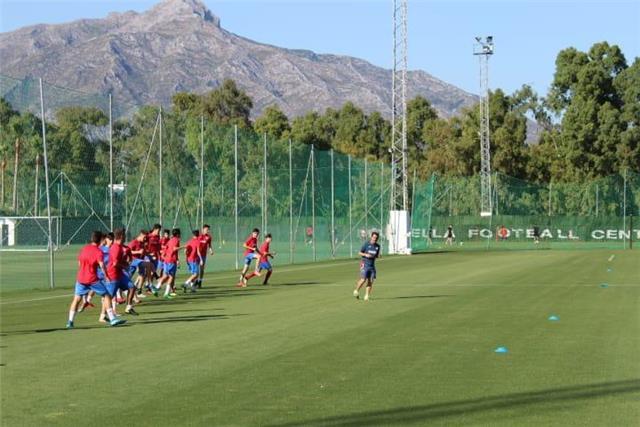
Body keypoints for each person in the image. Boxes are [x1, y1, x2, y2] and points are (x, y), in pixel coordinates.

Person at [66, 231, 125, 328]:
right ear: (101, 239)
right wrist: (106, 276)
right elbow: (102, 265)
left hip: (81, 278)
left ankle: (70, 322)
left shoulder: (84, 248)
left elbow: (79, 263)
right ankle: (112, 319)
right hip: (92, 279)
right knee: (106, 295)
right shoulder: (98, 251)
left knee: (76, 299)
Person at [104, 228, 138, 319]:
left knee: (132, 287)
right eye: (125, 235)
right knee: (109, 297)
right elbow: (115, 264)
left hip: (120, 274)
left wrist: (125, 262)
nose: (126, 236)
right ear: (121, 236)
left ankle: (129, 307)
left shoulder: (120, 247)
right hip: (113, 275)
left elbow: (118, 261)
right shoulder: (115, 247)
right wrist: (124, 266)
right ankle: (103, 315)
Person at [155, 228, 183, 299]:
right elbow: (174, 249)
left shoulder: (170, 240)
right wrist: (183, 247)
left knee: (165, 276)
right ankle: (166, 293)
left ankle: (156, 288)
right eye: (179, 233)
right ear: (177, 234)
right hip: (171, 260)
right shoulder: (176, 240)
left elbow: (166, 249)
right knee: (171, 277)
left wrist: (164, 256)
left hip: (166, 260)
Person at [353, 231, 381, 302]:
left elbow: (376, 255)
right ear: (371, 237)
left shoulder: (377, 246)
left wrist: (378, 256)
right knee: (363, 279)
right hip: (365, 264)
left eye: (376, 238)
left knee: (371, 281)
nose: (375, 239)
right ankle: (356, 291)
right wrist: (365, 255)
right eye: (374, 237)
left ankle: (367, 295)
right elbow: (360, 252)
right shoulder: (366, 244)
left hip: (372, 266)